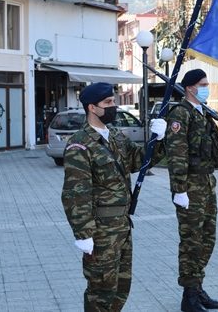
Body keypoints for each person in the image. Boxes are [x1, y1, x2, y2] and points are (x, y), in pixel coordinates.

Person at [61, 82, 167, 311]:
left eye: (113, 101)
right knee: (101, 292)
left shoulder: (116, 136)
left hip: (122, 227)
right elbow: (75, 193)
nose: (114, 106)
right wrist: (83, 233)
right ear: (92, 107)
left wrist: (158, 141)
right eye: (108, 103)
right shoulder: (80, 144)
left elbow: (139, 161)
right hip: (100, 231)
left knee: (121, 287)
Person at [165, 69, 218, 312]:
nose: (206, 88)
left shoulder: (203, 114)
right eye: (202, 84)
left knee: (207, 239)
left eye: (206, 84)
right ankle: (189, 297)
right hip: (190, 187)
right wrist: (179, 190)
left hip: (207, 185)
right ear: (189, 88)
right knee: (191, 242)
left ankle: (197, 287)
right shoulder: (180, 114)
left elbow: (211, 150)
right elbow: (176, 155)